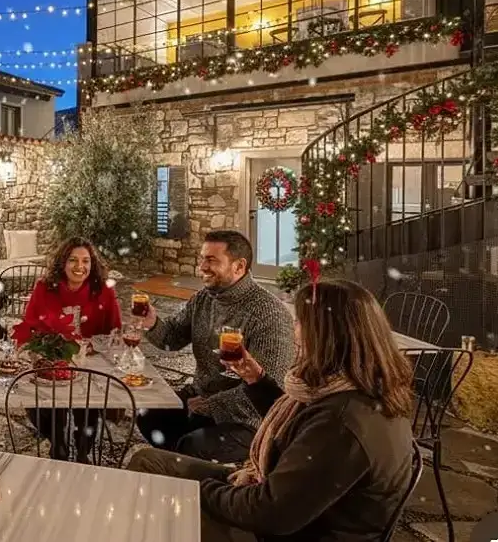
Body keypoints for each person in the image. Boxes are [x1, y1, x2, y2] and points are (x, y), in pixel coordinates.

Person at [128, 279, 417, 542]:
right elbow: (295, 426)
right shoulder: (351, 388)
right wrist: (257, 381)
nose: (295, 331)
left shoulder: (342, 423)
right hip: (277, 497)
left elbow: (270, 513)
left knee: (160, 497)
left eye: (300, 322)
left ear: (326, 336)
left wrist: (193, 491)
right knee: (149, 462)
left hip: (290, 532)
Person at [135, 229, 295, 464]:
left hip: (249, 420)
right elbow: (172, 338)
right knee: (148, 415)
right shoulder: (204, 298)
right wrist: (152, 324)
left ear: (239, 267)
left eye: (211, 260)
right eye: (202, 258)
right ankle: (179, 466)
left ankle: (193, 470)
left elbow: (271, 389)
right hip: (200, 398)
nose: (202, 267)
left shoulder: (269, 314)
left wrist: (211, 406)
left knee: (192, 445)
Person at [21, 237, 121, 461]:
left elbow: (114, 332)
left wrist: (93, 345)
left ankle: (84, 452)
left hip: (90, 363)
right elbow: (30, 326)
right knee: (46, 401)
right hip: (51, 361)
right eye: (73, 260)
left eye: (86, 261)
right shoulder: (44, 288)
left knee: (88, 402)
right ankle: (58, 443)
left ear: (92, 264)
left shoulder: (103, 290)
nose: (80, 266)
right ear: (62, 262)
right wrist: (45, 346)